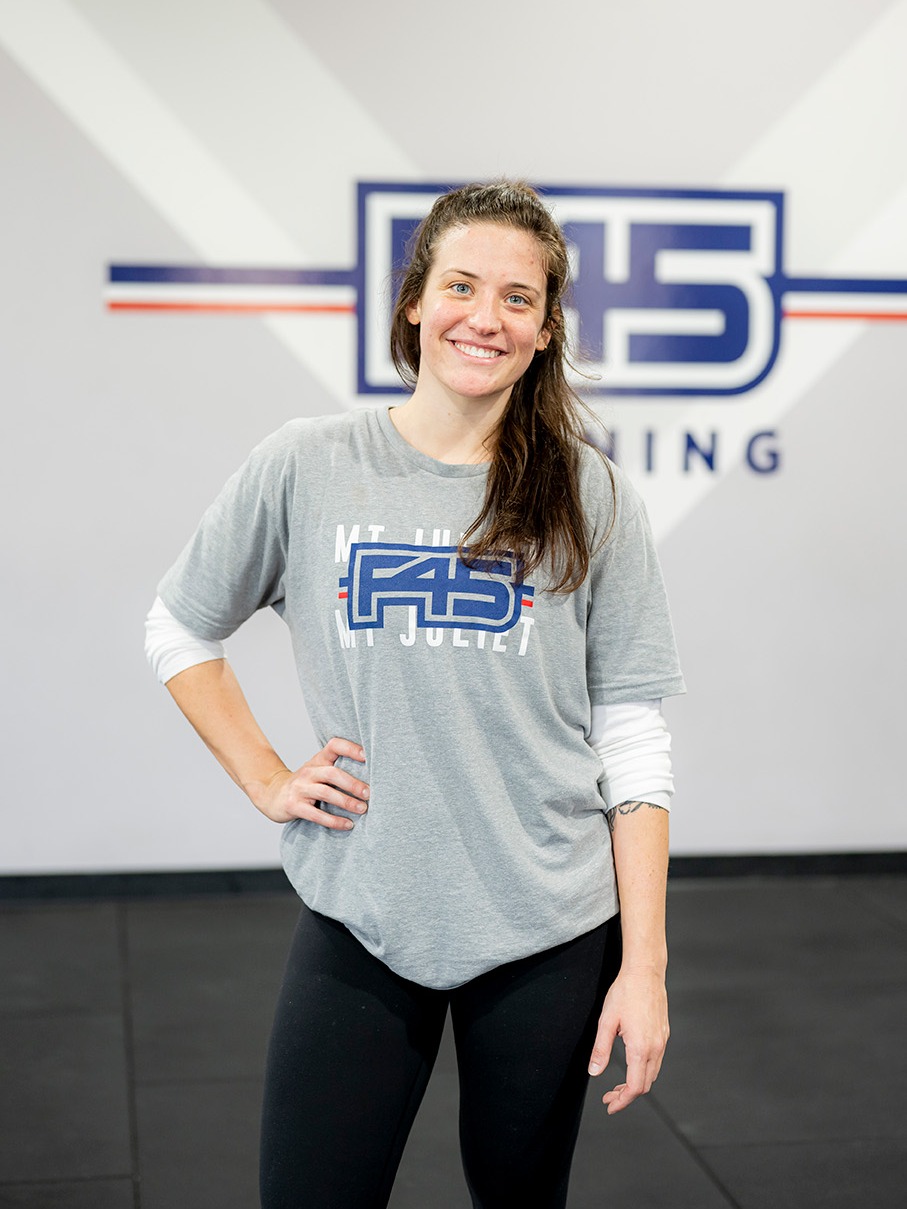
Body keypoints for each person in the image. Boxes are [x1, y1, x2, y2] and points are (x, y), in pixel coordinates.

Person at [145, 180, 685, 1209]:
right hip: (364, 907)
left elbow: (632, 739)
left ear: (545, 329)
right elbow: (178, 627)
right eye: (461, 287)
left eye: (518, 298)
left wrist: (644, 968)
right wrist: (264, 777)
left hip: (547, 923)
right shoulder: (308, 464)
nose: (486, 317)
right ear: (414, 303)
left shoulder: (590, 492)